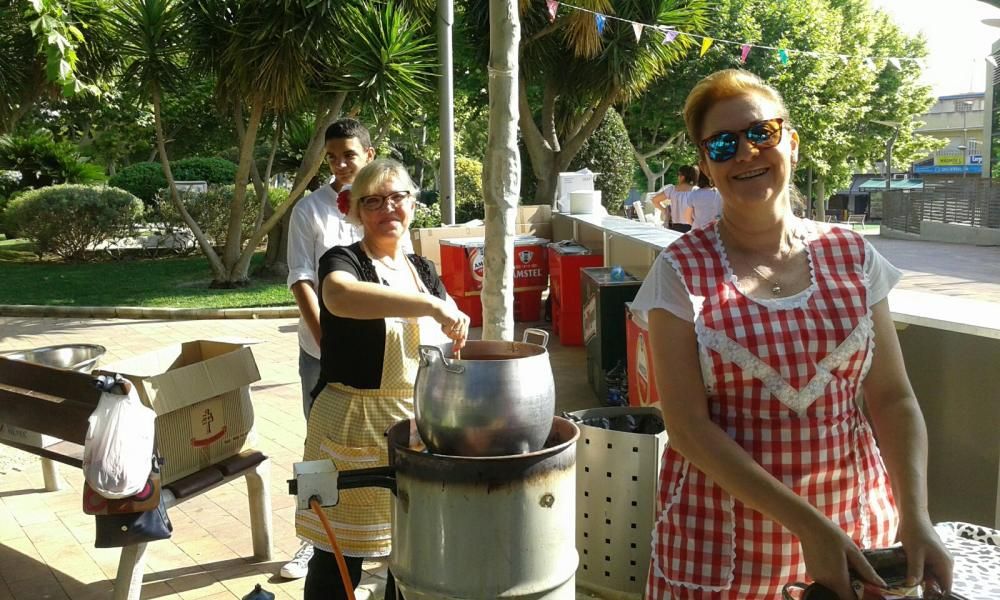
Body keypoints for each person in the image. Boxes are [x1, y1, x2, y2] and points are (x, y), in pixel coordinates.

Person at [631, 69, 952, 599]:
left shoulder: (853, 255)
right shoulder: (679, 270)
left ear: (791, 143)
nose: (746, 153)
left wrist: (915, 516)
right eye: (723, 143)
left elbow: (893, 399)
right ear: (707, 166)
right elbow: (687, 428)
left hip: (856, 531)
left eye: (762, 133)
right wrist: (807, 525)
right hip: (720, 546)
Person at [296, 159, 470, 600]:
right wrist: (432, 307)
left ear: (413, 203)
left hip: (412, 427)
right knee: (336, 553)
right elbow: (338, 296)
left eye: (397, 197)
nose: (386, 207)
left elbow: (447, 337)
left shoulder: (423, 270)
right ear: (355, 212)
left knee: (406, 551)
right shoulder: (343, 260)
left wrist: (456, 322)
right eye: (372, 201)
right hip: (347, 424)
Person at [282, 118, 375, 579]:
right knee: (320, 447)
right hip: (321, 351)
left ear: (369, 156)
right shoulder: (310, 210)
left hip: (380, 358)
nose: (340, 164)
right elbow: (301, 277)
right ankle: (313, 541)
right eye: (333, 156)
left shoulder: (382, 203)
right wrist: (326, 343)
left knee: (373, 446)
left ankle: (373, 533)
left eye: (349, 155)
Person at [650, 165, 698, 232]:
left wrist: (665, 211)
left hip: (675, 226)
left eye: (678, 174)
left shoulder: (672, 190)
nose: (677, 177)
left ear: (682, 177)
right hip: (693, 226)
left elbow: (654, 200)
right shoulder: (696, 191)